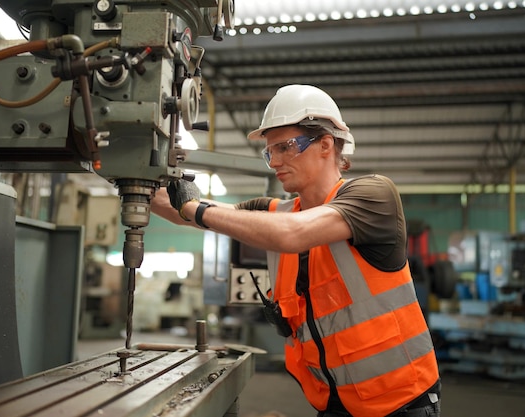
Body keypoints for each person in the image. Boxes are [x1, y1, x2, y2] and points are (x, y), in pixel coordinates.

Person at [151, 84, 441, 417]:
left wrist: (196, 209)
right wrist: (129, 175)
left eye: (285, 147)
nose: (274, 161)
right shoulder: (280, 212)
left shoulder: (374, 195)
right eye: (269, 151)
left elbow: (291, 234)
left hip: (400, 403)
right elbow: (190, 211)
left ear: (325, 144)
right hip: (334, 404)